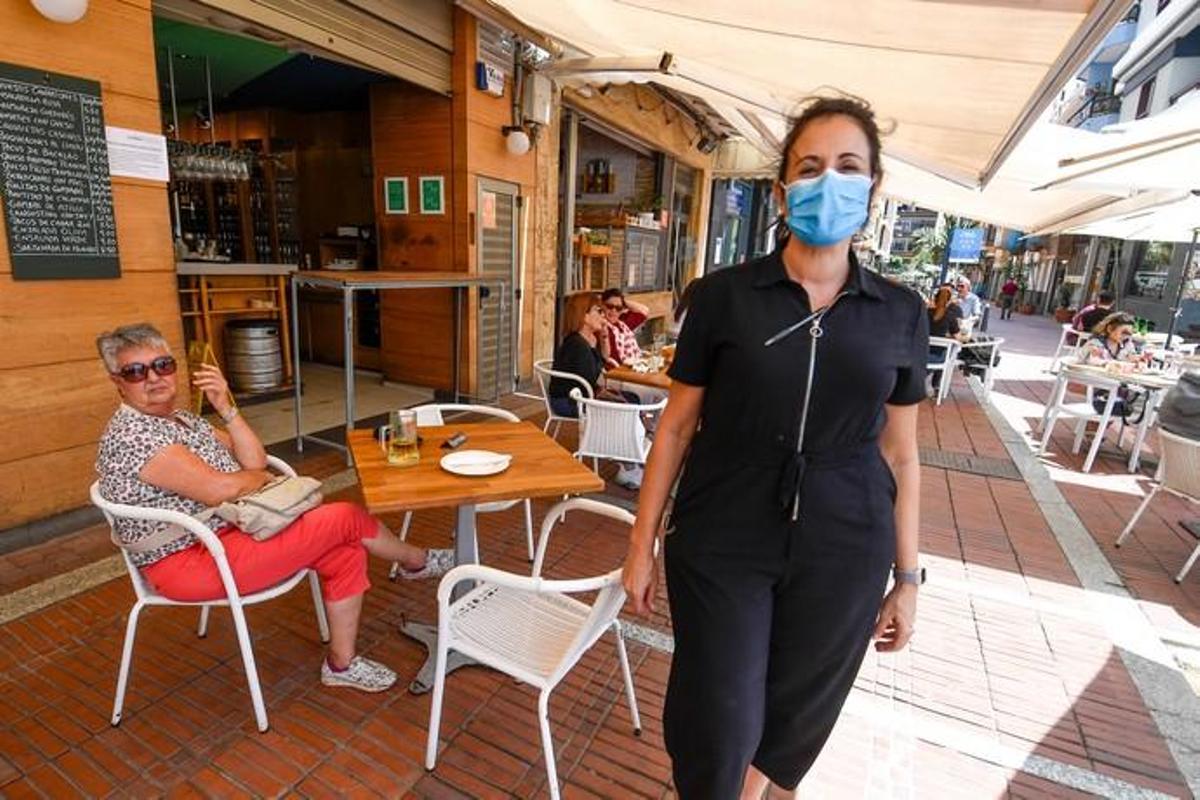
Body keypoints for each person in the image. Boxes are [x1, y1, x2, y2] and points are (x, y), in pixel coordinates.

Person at [621, 97, 926, 799]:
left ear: (873, 188)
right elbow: (676, 427)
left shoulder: (900, 312)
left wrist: (907, 579)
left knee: (797, 711)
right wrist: (641, 545)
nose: (829, 182)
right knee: (718, 714)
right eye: (810, 168)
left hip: (847, 539)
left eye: (847, 167)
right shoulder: (723, 296)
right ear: (783, 192)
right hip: (725, 527)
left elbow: (903, 454)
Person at [94, 323, 453, 693]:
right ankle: (417, 562)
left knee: (345, 549)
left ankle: (341, 665)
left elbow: (254, 459)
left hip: (231, 532)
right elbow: (221, 489)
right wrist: (256, 479)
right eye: (136, 371)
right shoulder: (134, 436)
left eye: (162, 365)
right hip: (189, 560)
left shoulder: (182, 419)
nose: (154, 377)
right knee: (346, 518)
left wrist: (226, 407)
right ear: (117, 381)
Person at [548, 293, 645, 489]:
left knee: (632, 398)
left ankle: (629, 453)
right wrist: (611, 394)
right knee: (626, 406)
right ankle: (627, 463)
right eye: (599, 311)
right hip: (568, 402)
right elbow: (593, 378)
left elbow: (602, 364)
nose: (604, 315)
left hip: (581, 395)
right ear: (584, 316)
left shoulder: (587, 339)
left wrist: (603, 338)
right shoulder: (577, 345)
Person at [1077, 311, 1150, 418]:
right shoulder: (1096, 343)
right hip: (1095, 384)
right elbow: (1093, 361)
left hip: (1115, 384)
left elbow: (1132, 357)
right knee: (1129, 400)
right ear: (1110, 329)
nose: (1126, 336)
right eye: (1123, 332)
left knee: (1142, 397)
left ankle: (1114, 413)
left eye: (1129, 333)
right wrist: (1105, 361)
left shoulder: (1126, 344)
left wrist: (1139, 361)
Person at [601, 288, 650, 367]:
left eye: (618, 308)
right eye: (610, 306)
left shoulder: (623, 322)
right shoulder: (600, 326)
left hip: (634, 365)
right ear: (602, 306)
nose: (614, 310)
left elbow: (645, 311)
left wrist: (624, 302)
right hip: (618, 370)